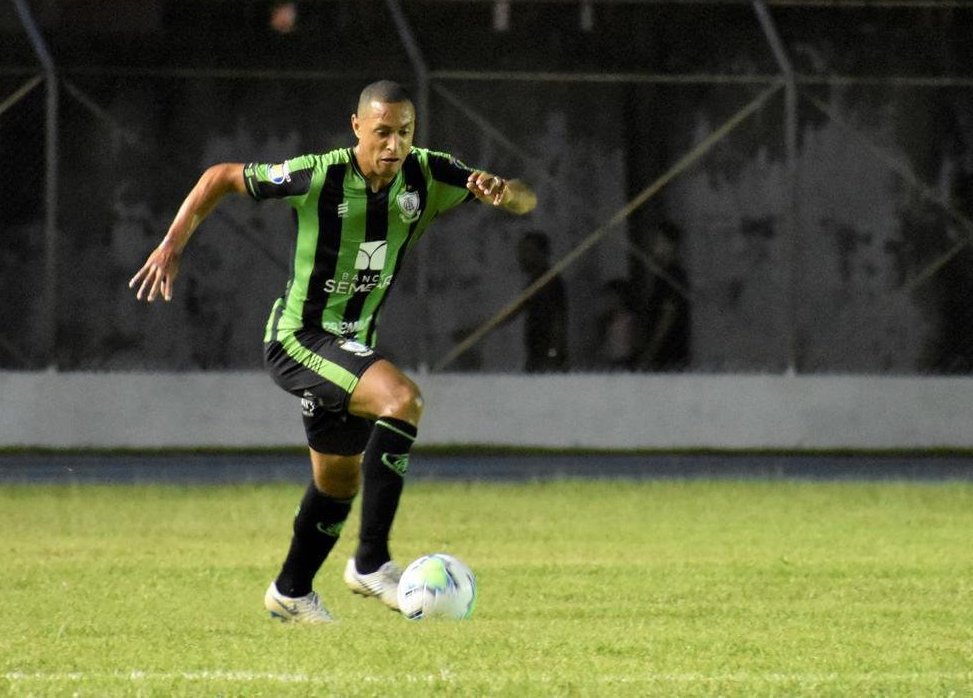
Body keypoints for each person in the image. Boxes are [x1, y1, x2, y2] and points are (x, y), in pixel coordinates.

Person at [129, 80, 536, 623]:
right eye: (382, 132)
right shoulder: (320, 174)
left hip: (350, 346)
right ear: (357, 127)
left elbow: (525, 200)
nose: (394, 145)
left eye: (405, 133)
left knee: (338, 481)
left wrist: (503, 192)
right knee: (402, 400)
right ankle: (371, 563)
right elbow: (220, 176)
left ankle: (290, 592)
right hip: (299, 338)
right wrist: (171, 244)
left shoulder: (430, 173)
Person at [637, 220, 691, 370]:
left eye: (658, 241)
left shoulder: (673, 275)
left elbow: (667, 316)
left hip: (670, 352)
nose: (653, 246)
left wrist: (650, 352)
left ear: (671, 244)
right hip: (665, 353)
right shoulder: (661, 275)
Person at [514, 231, 569, 372]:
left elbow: (559, 321)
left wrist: (553, 354)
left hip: (547, 361)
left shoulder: (550, 283)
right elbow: (513, 312)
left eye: (528, 251)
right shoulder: (535, 283)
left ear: (543, 253)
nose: (522, 256)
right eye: (521, 251)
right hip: (538, 357)